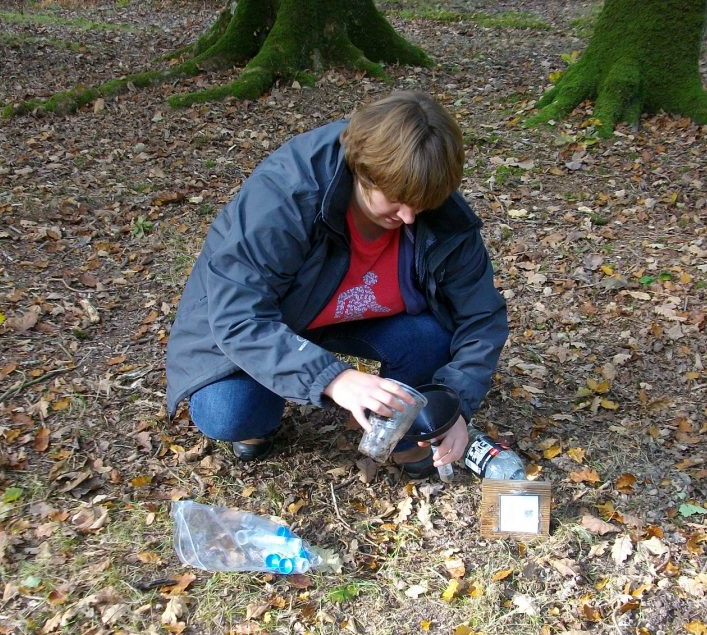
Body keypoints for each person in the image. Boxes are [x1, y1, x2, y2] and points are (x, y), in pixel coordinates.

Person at [165, 90, 508, 478]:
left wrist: (454, 403)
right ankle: (268, 412)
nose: (410, 216)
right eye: (396, 200)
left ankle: (405, 431)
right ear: (363, 172)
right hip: (271, 323)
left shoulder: (431, 200)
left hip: (356, 324)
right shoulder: (286, 196)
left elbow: (481, 317)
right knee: (229, 412)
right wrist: (333, 378)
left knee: (431, 340)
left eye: (422, 203)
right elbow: (238, 315)